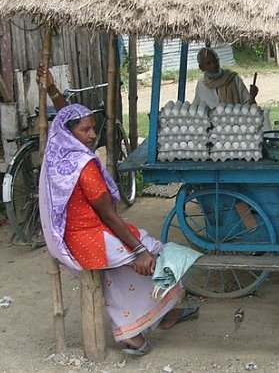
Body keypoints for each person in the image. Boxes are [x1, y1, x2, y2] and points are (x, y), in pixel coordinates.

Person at [37, 64, 200, 356]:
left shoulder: (57, 153)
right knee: (157, 252)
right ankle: (138, 327)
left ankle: (151, 320)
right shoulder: (84, 168)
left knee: (127, 268)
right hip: (90, 239)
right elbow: (109, 216)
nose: (91, 135)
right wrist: (138, 250)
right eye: (85, 130)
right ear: (70, 133)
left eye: (92, 128)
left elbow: (66, 116)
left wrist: (51, 89)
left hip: (75, 236)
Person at [192, 47, 258, 109]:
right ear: (202, 68)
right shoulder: (201, 85)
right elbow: (196, 110)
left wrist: (252, 97)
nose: (214, 65)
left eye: (215, 60)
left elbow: (248, 105)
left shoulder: (233, 79)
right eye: (208, 63)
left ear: (218, 59)